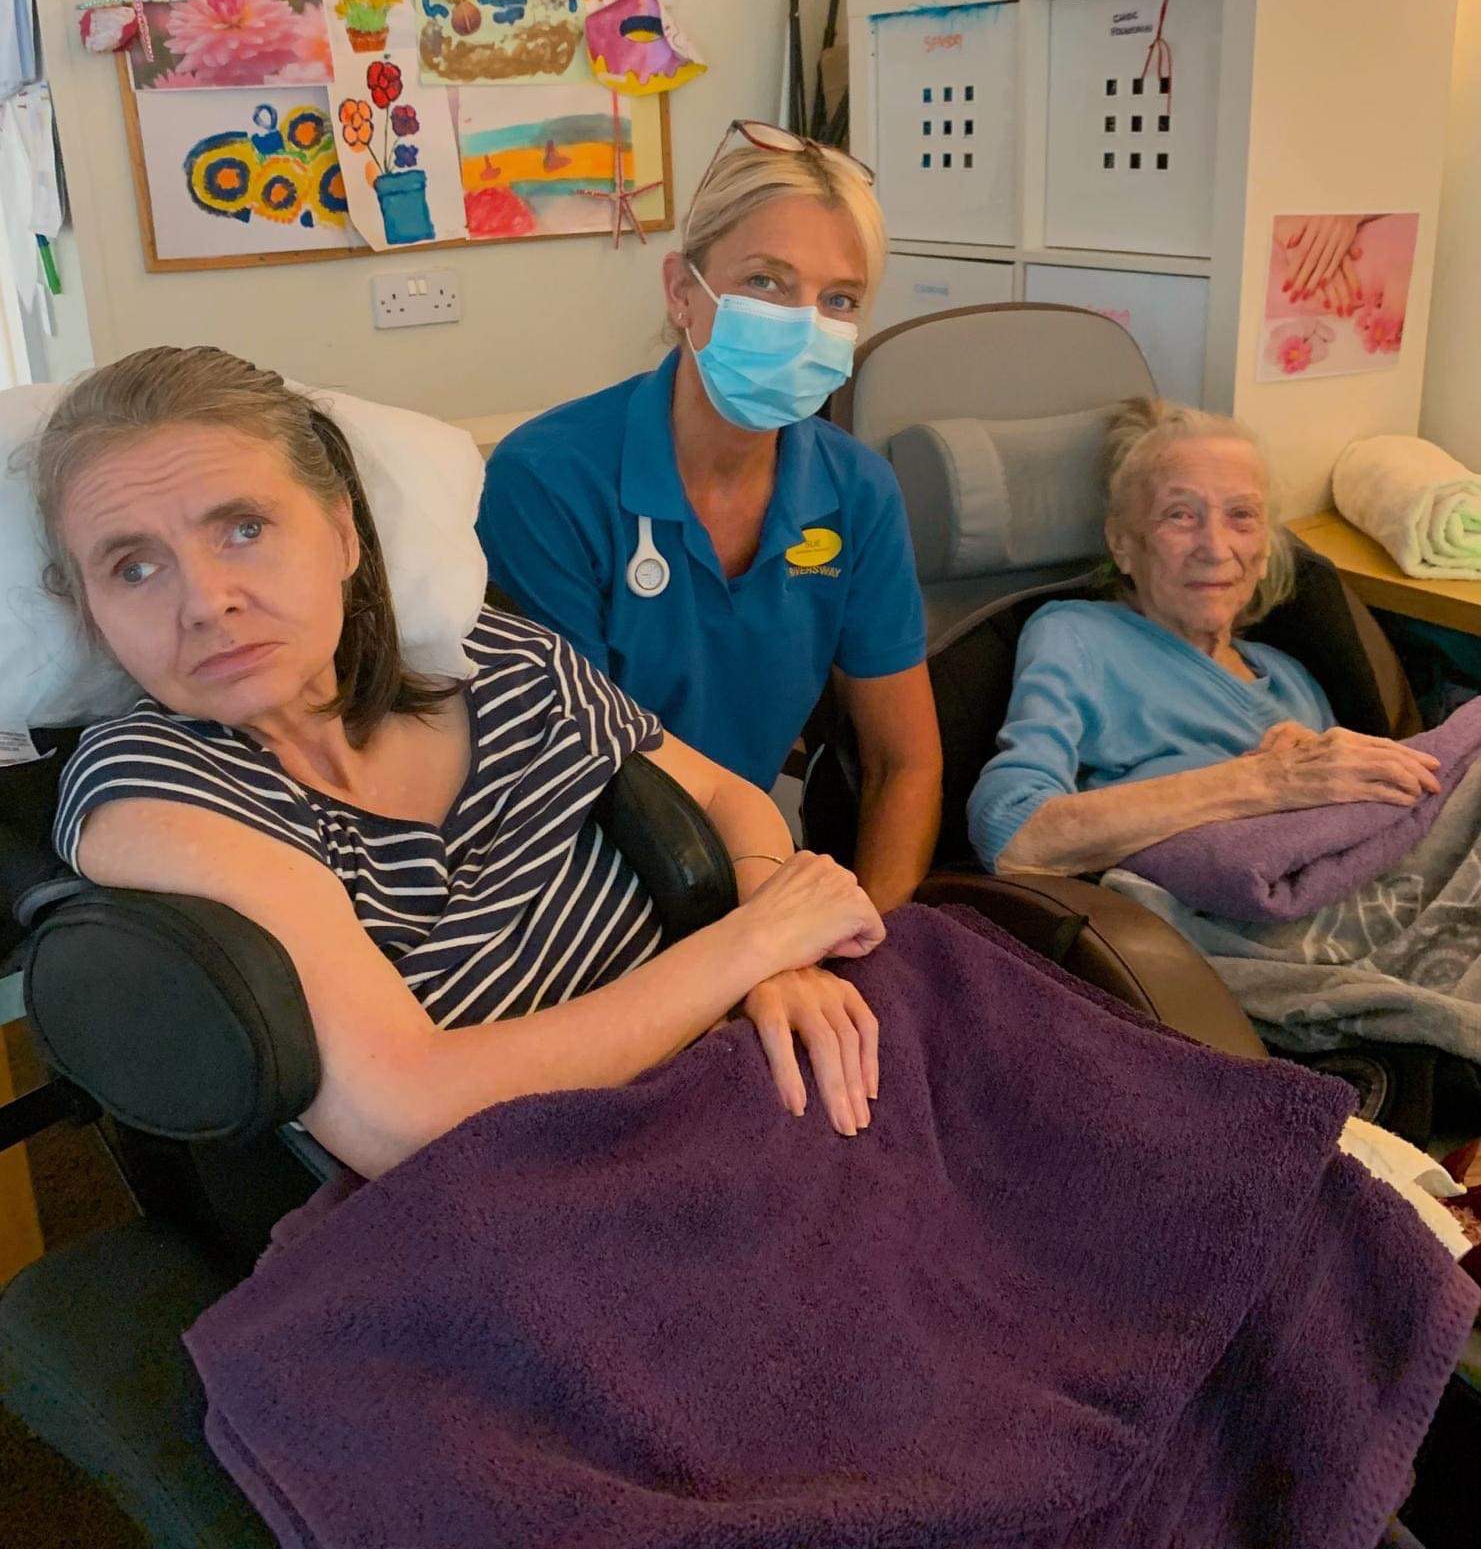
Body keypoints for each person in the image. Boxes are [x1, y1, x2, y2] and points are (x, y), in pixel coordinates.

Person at [36, 347, 888, 1183]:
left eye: (245, 529)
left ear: (341, 533)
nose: (205, 602)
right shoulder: (152, 789)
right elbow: (407, 1113)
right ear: (91, 612)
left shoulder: (494, 662)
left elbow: (727, 795)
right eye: (133, 568)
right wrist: (752, 946)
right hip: (553, 1186)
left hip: (760, 1071)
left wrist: (784, 963)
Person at [477, 122, 942, 912]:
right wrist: (758, 944)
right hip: (579, 876)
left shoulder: (856, 492)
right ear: (681, 292)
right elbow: (586, 775)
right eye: (766, 282)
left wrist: (874, 937)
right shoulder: (550, 480)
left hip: (750, 867)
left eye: (837, 299)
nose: (802, 323)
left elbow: (904, 765)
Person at [968, 397, 1443, 879]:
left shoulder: (1294, 679)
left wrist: (1316, 778)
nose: (1215, 548)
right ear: (1123, 544)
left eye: (1241, 515)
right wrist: (1265, 783)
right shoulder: (1079, 638)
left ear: (1264, 552)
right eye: (1180, 515)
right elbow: (1012, 833)